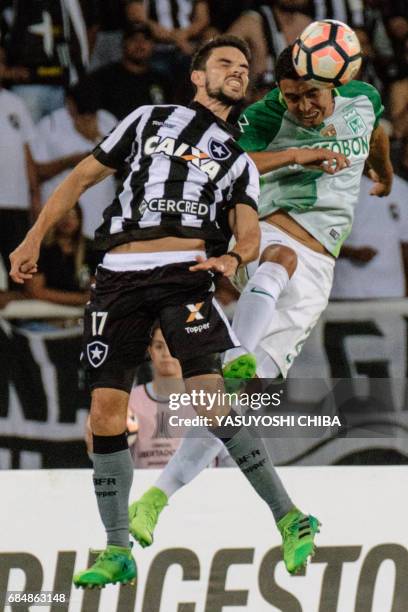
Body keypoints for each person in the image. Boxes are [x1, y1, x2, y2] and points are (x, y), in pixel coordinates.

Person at [9, 35, 267, 589]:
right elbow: (80, 177)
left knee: (208, 397)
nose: (237, 72)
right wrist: (34, 236)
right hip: (118, 274)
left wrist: (234, 256)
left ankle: (285, 514)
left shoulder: (239, 159)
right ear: (197, 76)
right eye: (225, 63)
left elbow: (251, 234)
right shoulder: (149, 119)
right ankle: (116, 547)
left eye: (245, 67)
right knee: (104, 414)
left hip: (181, 269)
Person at [128, 43, 393, 569]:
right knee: (275, 257)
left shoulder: (363, 98)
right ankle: (238, 351)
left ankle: (158, 497)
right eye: (292, 97)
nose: (302, 108)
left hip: (318, 270)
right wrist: (297, 152)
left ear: (335, 85)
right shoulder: (267, 112)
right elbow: (236, 158)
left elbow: (376, 135)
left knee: (228, 405)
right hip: (271, 232)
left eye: (310, 96)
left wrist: (381, 173)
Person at [32, 83, 117, 238]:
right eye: (83, 112)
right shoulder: (50, 124)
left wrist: (97, 139)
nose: (88, 116)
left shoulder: (107, 120)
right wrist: (70, 161)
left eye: (92, 112)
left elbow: (125, 164)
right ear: (70, 103)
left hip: (102, 216)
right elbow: (38, 171)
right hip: (63, 220)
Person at [331, 174, 408, 299]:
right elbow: (319, 239)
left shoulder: (401, 188)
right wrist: (351, 252)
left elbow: (405, 246)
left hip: (391, 294)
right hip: (345, 293)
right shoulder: (336, 186)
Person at [83, 22, 173, 121]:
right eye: (134, 39)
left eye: (145, 40)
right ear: (123, 43)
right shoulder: (104, 77)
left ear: (152, 45)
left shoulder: (161, 80)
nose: (140, 45)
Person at [25, 204, 99, 307]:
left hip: (80, 316)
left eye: (73, 215)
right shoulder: (41, 249)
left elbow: (96, 288)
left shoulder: (91, 248)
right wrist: (80, 299)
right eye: (63, 215)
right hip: (45, 314)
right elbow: (35, 291)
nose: (67, 219)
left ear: (79, 220)